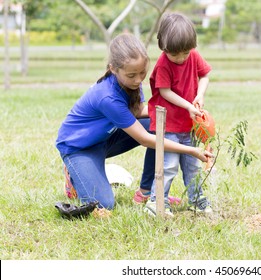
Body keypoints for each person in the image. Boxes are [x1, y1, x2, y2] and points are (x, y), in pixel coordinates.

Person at [55, 33, 212, 213]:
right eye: (131, 75)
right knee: (103, 205)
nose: (138, 80)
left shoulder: (130, 82)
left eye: (142, 73)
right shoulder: (107, 97)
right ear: (113, 69)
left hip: (106, 137)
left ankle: (146, 192)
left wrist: (183, 111)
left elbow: (137, 111)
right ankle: (74, 172)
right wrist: (191, 150)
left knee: (159, 125)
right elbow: (145, 139)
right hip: (79, 148)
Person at [145, 13, 213, 217]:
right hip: (168, 124)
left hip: (189, 124)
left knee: (193, 165)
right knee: (169, 166)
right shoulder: (164, 63)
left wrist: (199, 95)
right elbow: (165, 92)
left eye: (185, 53)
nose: (181, 58)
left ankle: (196, 199)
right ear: (163, 47)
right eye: (176, 54)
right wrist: (188, 106)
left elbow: (205, 75)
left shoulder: (192, 55)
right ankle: (157, 202)